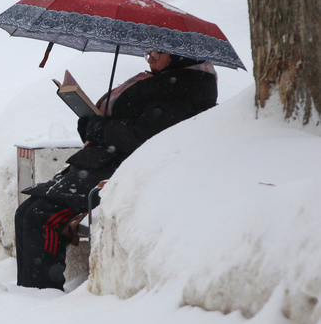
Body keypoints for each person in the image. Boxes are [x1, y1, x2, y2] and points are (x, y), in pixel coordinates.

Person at [15, 51, 218, 290]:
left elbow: (142, 135)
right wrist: (92, 124)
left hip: (123, 172)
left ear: (179, 55)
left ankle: (41, 293)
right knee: (26, 211)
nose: (150, 58)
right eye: (148, 52)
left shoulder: (188, 88)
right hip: (100, 164)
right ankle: (28, 294)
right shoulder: (165, 80)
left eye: (157, 53)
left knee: (43, 217)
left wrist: (99, 129)